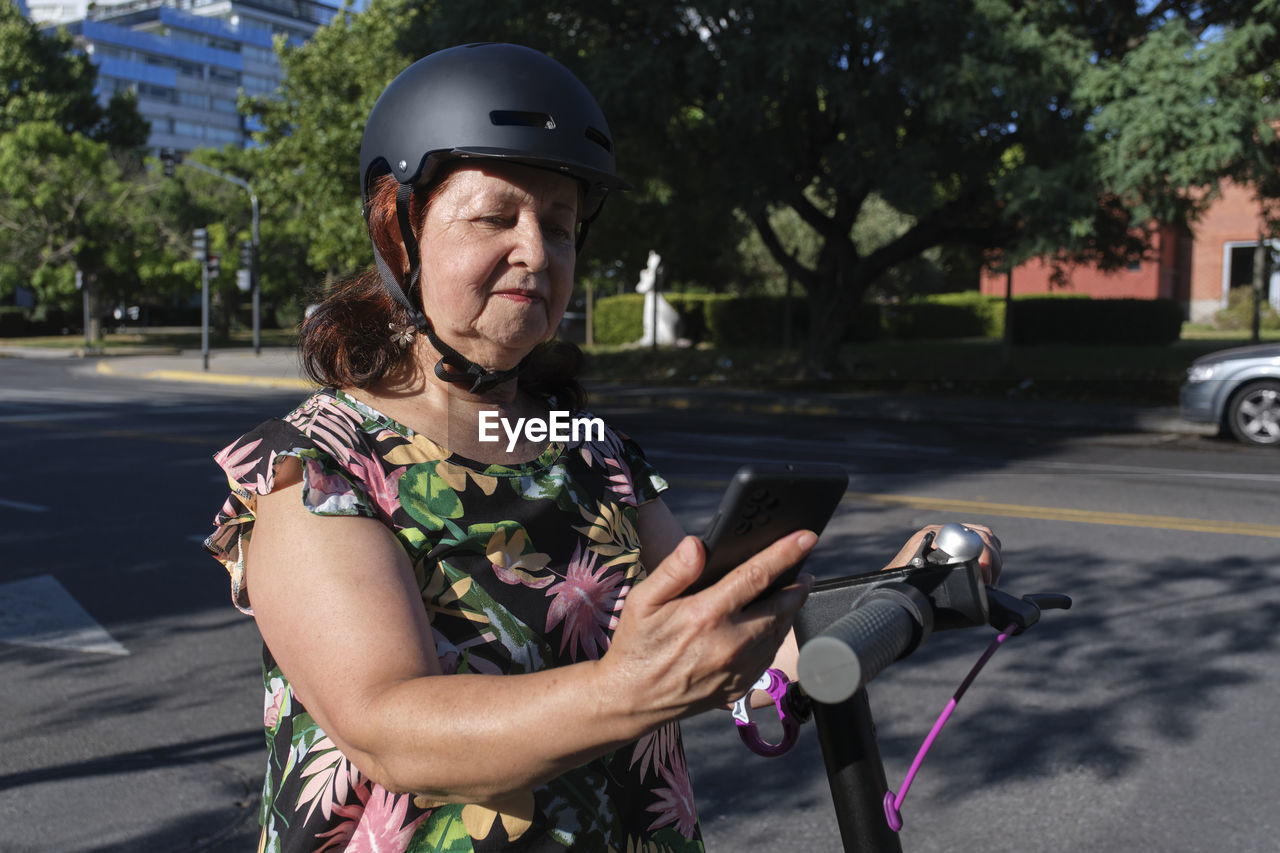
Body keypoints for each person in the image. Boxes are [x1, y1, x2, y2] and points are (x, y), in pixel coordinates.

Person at [205, 43, 1001, 853]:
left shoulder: (586, 447)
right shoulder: (316, 465)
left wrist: (899, 588)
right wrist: (630, 688)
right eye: (495, 216)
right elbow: (389, 730)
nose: (535, 251)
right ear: (398, 227)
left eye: (558, 226)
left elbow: (722, 641)